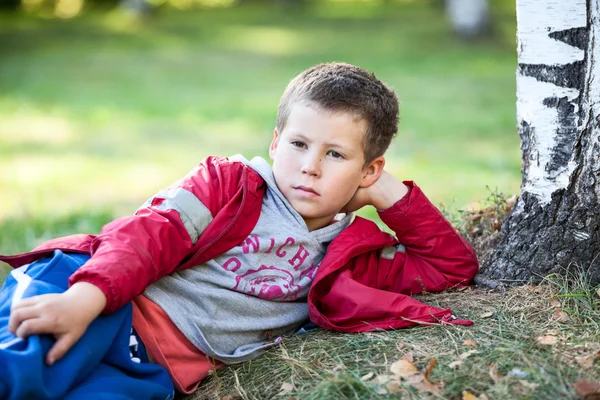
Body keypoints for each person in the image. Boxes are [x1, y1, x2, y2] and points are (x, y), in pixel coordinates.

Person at [0, 62, 479, 400]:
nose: (309, 167)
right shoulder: (228, 185)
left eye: (335, 155)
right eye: (298, 144)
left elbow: (449, 265)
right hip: (98, 297)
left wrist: (386, 193)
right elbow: (147, 234)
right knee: (25, 372)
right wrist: (84, 300)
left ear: (369, 170)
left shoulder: (348, 258)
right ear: (274, 142)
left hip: (155, 370)